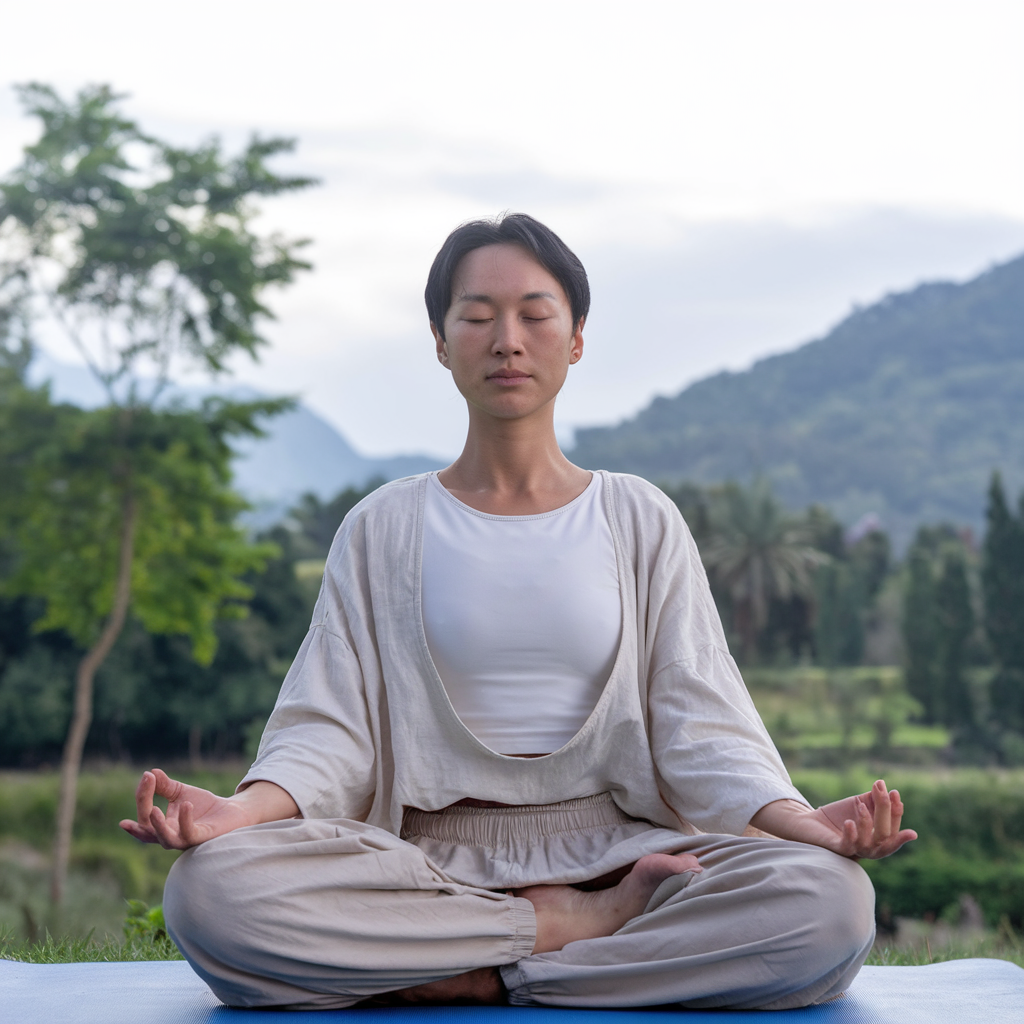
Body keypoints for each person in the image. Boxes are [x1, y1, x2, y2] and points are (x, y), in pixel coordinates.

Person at [121, 213, 916, 1011]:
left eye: (536, 316)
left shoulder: (638, 517)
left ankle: (463, 973)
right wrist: (236, 813)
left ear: (575, 339)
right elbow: (329, 731)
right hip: (423, 863)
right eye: (476, 317)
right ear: (441, 341)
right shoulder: (382, 526)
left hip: (622, 853)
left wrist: (801, 824)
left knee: (828, 906)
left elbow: (701, 724)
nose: (507, 339)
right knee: (211, 895)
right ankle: (565, 938)